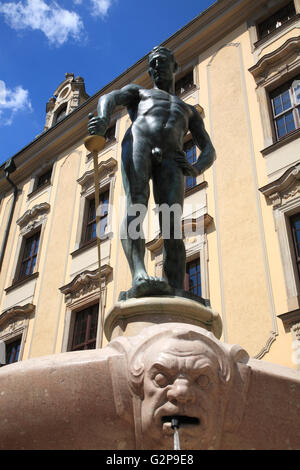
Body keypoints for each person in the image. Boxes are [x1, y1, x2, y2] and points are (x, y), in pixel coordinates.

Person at [88, 46, 215, 298]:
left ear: (174, 66)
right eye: (152, 63)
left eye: (160, 61)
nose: (155, 66)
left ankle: (176, 288)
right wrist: (102, 118)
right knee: (136, 204)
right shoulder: (139, 93)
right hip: (139, 143)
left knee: (172, 225)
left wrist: (196, 167)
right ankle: (138, 272)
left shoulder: (188, 110)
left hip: (171, 158)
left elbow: (209, 148)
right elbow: (110, 98)